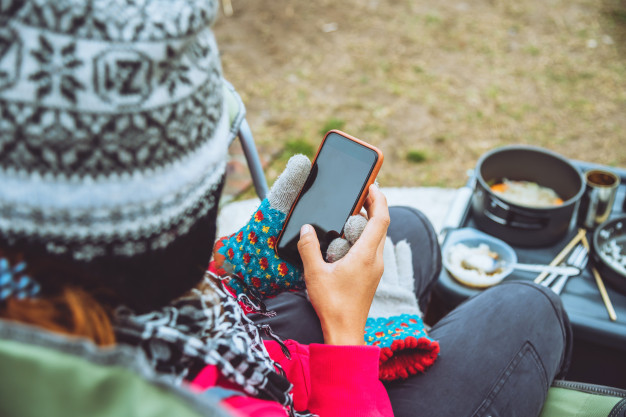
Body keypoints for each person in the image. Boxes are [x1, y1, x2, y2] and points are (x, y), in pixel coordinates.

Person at [0, 1, 571, 416]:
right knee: (529, 306)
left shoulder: (46, 286)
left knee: (411, 233)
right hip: (307, 396)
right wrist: (350, 332)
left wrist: (236, 267)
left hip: (256, 348)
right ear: (138, 237)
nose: (228, 177)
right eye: (211, 184)